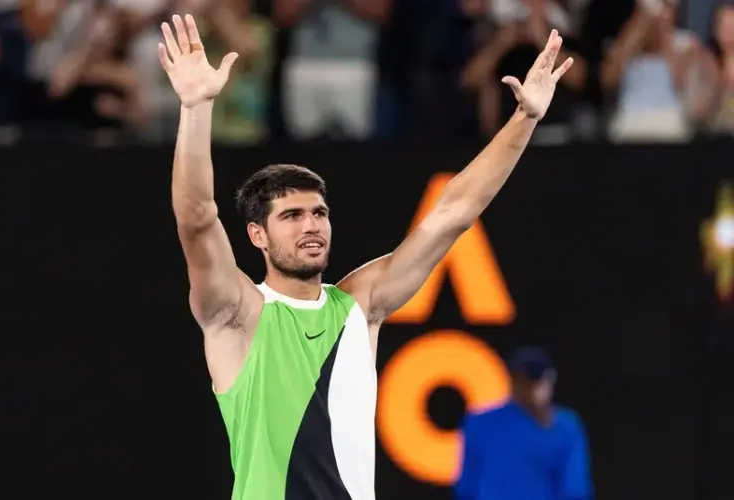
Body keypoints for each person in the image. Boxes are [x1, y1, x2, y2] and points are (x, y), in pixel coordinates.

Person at [158, 13, 573, 500]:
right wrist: (196, 108)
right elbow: (197, 217)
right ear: (257, 235)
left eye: (319, 213)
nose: (311, 225)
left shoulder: (359, 304)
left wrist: (525, 119)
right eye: (291, 216)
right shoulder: (237, 314)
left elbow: (454, 213)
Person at [454, 346, 592, 500]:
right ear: (514, 381)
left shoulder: (566, 427)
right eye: (528, 380)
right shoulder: (479, 424)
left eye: (539, 380)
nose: (533, 387)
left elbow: (574, 490)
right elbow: (466, 488)